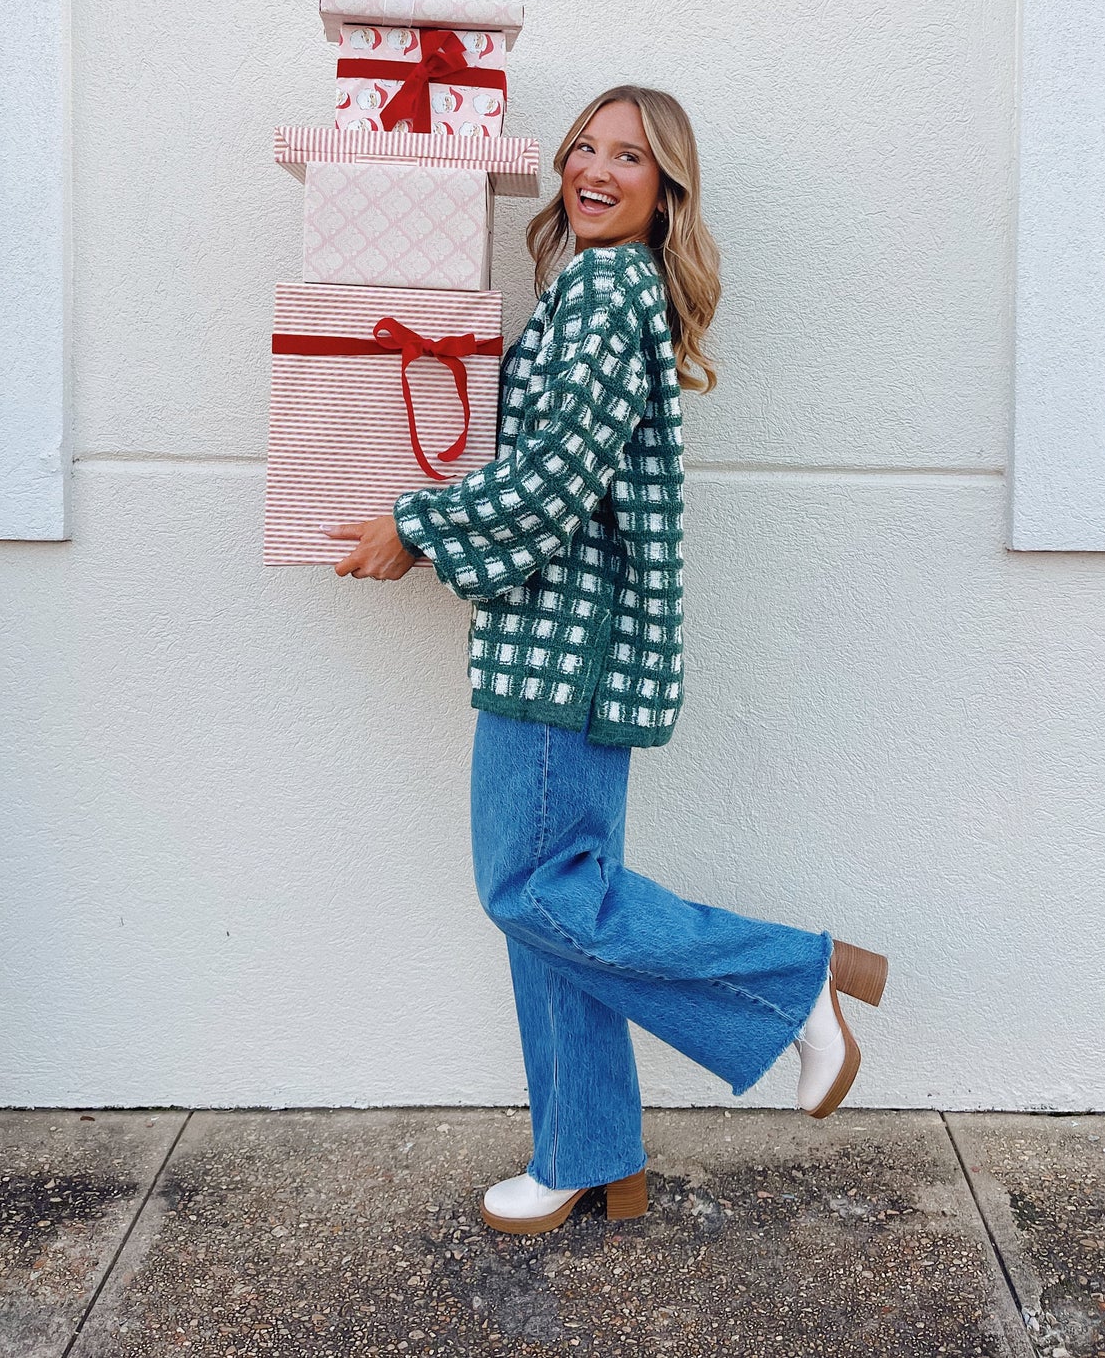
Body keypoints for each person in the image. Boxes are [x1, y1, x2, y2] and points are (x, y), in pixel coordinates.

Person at [330, 85, 889, 1237]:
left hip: (559, 655)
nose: (593, 167)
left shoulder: (599, 291)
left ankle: (794, 983)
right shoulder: (601, 289)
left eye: (627, 155)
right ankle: (589, 1153)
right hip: (575, 651)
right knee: (555, 913)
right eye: (582, 146)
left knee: (533, 893)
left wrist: (415, 528)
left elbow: (548, 484)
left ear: (663, 190)